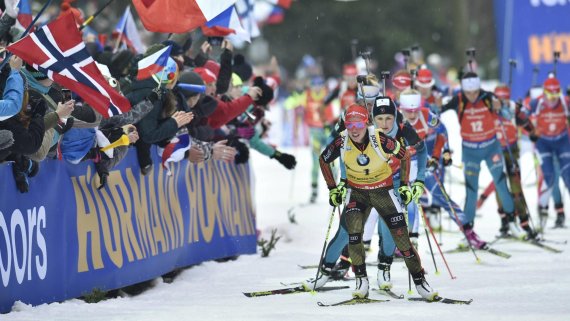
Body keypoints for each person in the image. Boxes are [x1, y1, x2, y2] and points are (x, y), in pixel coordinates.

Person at [318, 103, 437, 300]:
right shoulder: (342, 140)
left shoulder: (380, 138)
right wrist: (333, 188)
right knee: (353, 233)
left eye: (359, 125)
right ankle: (361, 280)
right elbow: (324, 159)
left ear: (367, 123)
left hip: (383, 190)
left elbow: (405, 154)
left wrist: (406, 185)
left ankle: (420, 281)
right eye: (350, 125)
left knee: (401, 238)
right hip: (358, 192)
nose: (354, 130)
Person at [441, 72, 524, 243]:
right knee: (471, 191)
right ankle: (468, 231)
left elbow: (508, 116)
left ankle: (512, 222)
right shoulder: (459, 99)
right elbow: (436, 113)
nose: (472, 96)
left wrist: (501, 106)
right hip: (470, 151)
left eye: (474, 92)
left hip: (491, 148)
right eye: (468, 93)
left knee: (501, 184)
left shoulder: (488, 97)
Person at [528, 76, 570, 228]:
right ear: (544, 93)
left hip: (562, 142)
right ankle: (546, 211)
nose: (552, 100)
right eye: (549, 95)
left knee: (567, 176)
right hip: (544, 143)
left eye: (555, 96)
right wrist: (530, 132)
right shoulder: (536, 103)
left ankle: (559, 213)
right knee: (550, 178)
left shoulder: (565, 102)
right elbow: (520, 117)